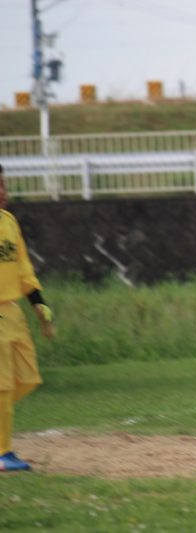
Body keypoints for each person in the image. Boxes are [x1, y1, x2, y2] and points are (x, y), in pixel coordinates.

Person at [0, 163, 56, 472]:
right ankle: (2, 453)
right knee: (2, 385)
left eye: (3, 185)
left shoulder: (9, 222)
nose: (2, 192)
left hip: (11, 311)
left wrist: (39, 304)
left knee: (27, 377)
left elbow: (23, 270)